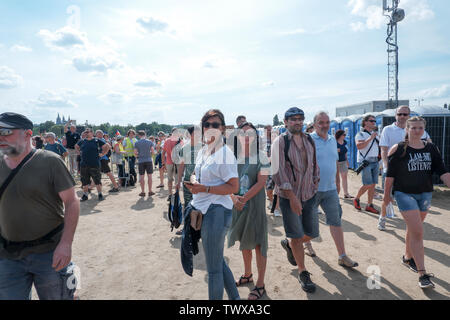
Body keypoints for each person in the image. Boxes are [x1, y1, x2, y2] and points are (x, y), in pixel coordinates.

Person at [0, 112, 79, 300]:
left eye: (6, 131)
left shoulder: (50, 161)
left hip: (49, 253)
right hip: (8, 256)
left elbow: (71, 201)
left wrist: (66, 244)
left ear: (27, 134)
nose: (1, 137)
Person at [383, 116, 450, 289]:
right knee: (418, 231)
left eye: (420, 128)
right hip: (404, 194)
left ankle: (407, 257)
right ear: (407, 129)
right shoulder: (399, 149)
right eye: (413, 128)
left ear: (424, 129)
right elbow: (390, 175)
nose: (417, 131)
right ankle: (423, 274)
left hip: (425, 195)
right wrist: (386, 196)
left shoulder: (431, 148)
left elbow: (442, 171)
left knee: (414, 228)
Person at [184, 109, 240, 300]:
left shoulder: (225, 154)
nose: (210, 128)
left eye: (215, 125)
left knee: (214, 270)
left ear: (222, 128)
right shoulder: (203, 151)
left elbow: (234, 186)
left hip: (217, 212)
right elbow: (199, 175)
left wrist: (205, 189)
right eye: (206, 124)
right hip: (204, 210)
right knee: (218, 263)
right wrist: (194, 181)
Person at [271, 107, 320, 293]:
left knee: (312, 233)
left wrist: (315, 184)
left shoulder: (309, 140)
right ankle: (303, 271)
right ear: (285, 122)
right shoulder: (280, 142)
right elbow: (277, 171)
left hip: (309, 194)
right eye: (293, 119)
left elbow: (314, 164)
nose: (297, 122)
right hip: (288, 196)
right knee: (298, 238)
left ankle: (289, 243)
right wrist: (292, 197)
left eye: (300, 119)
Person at [308, 112, 358, 268]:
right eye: (321, 122)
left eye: (327, 122)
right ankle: (305, 245)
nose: (325, 125)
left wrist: (337, 182)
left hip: (330, 189)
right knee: (308, 223)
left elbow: (335, 162)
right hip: (311, 190)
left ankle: (342, 256)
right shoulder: (308, 140)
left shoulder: (331, 141)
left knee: (336, 222)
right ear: (315, 124)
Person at [228, 122, 270, 300]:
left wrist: (243, 199)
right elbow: (225, 181)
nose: (246, 137)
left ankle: (260, 284)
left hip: (255, 207)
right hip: (237, 206)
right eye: (243, 133)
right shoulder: (232, 157)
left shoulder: (263, 157)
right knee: (244, 242)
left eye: (250, 134)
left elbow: (261, 183)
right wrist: (233, 197)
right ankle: (247, 274)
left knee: (259, 243)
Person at [378, 105, 432, 230]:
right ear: (396, 115)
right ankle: (383, 217)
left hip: (413, 172)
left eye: (405, 114)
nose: (402, 116)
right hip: (393, 170)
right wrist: (386, 167)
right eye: (400, 114)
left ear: (409, 115)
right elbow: (384, 150)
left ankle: (413, 223)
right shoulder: (388, 129)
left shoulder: (415, 129)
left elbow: (429, 145)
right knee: (388, 197)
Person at [353, 114, 380, 214]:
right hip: (365, 162)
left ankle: (369, 205)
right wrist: (370, 138)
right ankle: (356, 198)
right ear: (365, 122)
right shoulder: (360, 134)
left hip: (375, 161)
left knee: (373, 185)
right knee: (367, 184)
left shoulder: (375, 134)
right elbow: (359, 146)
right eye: (371, 121)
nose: (374, 123)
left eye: (374, 121)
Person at [76, 128, 108, 201]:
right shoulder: (82, 141)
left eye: (88, 132)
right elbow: (76, 146)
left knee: (97, 181)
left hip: (95, 164)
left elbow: (107, 146)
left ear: (92, 133)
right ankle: (85, 195)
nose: (86, 133)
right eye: (85, 132)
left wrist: (103, 154)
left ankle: (100, 194)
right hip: (84, 165)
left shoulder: (97, 140)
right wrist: (78, 152)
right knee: (84, 182)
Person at [162, 128, 183, 200]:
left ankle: (170, 194)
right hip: (177, 163)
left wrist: (163, 163)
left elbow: (163, 153)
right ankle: (177, 194)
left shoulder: (167, 140)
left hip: (169, 162)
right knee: (177, 180)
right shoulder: (180, 141)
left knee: (169, 179)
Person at [134, 130, 156, 197]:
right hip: (148, 160)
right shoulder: (149, 142)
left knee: (142, 177)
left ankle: (143, 191)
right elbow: (153, 151)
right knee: (150, 176)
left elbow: (135, 153)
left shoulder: (137, 143)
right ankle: (150, 191)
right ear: (145, 135)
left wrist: (139, 155)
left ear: (139, 135)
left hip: (141, 161)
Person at [335, 129, 353, 199]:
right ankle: (336, 194)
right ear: (340, 135)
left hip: (343, 162)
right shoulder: (334, 142)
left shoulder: (345, 142)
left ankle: (346, 193)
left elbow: (345, 152)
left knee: (344, 177)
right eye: (344, 135)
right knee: (336, 179)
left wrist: (347, 161)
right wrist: (336, 150)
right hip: (335, 162)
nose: (345, 136)